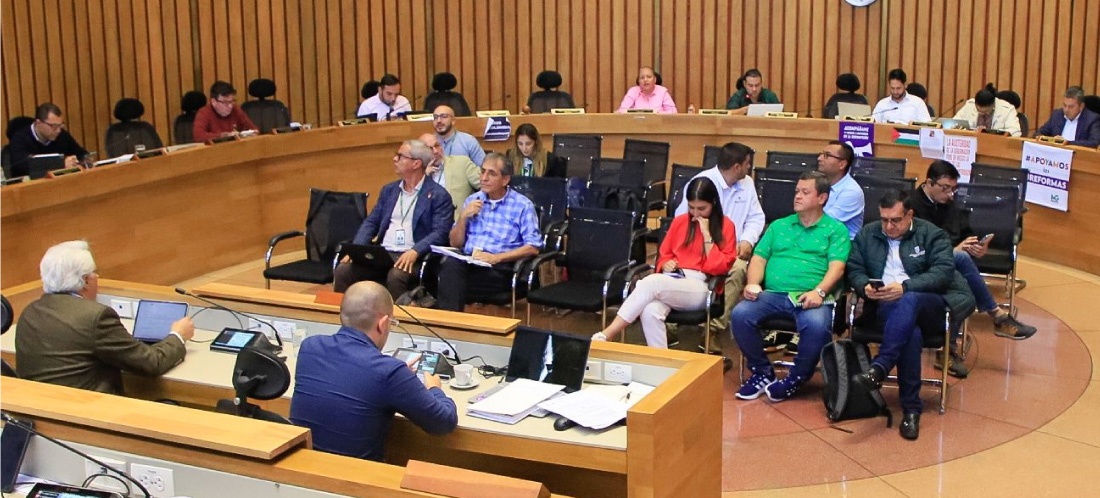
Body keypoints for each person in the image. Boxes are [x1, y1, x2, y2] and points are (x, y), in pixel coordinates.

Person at [849, 190, 975, 440]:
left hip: (930, 304)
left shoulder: (932, 234)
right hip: (885, 305)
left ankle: (881, 366)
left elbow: (942, 273)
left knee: (910, 299)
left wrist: (906, 287)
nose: (889, 226)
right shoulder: (868, 234)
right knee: (911, 335)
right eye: (884, 220)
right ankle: (911, 410)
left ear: (910, 215)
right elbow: (854, 268)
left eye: (895, 220)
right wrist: (864, 286)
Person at [290, 281, 457, 462]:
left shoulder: (309, 347)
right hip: (355, 475)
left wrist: (401, 379)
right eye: (392, 323)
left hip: (304, 467)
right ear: (383, 323)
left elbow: (352, 379)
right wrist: (434, 388)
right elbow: (443, 422)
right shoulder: (389, 372)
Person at [14, 241, 194, 395]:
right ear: (86, 281)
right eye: (94, 272)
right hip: (87, 414)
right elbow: (151, 363)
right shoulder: (96, 316)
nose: (97, 276)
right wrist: (178, 336)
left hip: (38, 414)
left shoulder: (29, 312)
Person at [730, 171, 850, 402]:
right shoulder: (779, 226)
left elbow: (837, 268)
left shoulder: (835, 230)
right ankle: (762, 372)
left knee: (817, 325)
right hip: (773, 294)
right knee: (740, 314)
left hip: (811, 296)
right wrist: (753, 283)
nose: (797, 196)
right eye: (797, 191)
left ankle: (797, 377)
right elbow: (759, 259)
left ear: (822, 198)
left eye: (805, 192)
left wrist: (819, 292)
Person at [912, 160, 1037, 376]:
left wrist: (976, 245)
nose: (950, 194)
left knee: (961, 283)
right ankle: (996, 316)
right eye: (945, 188)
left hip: (949, 262)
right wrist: (954, 250)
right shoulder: (912, 205)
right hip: (921, 262)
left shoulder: (949, 202)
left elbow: (964, 231)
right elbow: (916, 246)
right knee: (960, 261)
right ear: (929, 183)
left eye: (953, 189)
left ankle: (948, 350)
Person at [593, 178, 738, 348]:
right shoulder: (680, 222)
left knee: (651, 283)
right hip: (673, 279)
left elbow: (719, 267)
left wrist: (707, 235)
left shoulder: (726, 226)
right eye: (691, 207)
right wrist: (666, 263)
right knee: (650, 311)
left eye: (701, 208)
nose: (696, 214)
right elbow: (663, 255)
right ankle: (660, 359)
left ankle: (607, 334)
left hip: (703, 286)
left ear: (713, 203)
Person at [333, 139, 453, 297]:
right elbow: (371, 222)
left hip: (413, 257)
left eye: (400, 156)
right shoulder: (389, 190)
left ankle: (396, 313)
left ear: (416, 163)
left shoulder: (438, 195)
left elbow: (440, 232)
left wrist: (416, 251)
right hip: (383, 253)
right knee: (344, 270)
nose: (395, 159)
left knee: (396, 276)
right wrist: (356, 249)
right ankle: (345, 311)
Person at [675, 142, 765, 348]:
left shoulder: (747, 184)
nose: (749, 168)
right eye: (747, 164)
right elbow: (682, 221)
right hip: (698, 250)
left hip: (731, 252)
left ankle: (712, 329)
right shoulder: (701, 183)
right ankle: (671, 326)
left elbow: (756, 217)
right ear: (737, 167)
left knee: (739, 269)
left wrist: (747, 240)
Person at [437, 153, 542, 312]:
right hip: (470, 262)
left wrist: (496, 258)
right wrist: (463, 217)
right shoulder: (473, 200)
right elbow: (455, 243)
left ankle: (445, 321)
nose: (484, 178)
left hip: (500, 268)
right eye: (482, 172)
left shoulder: (522, 205)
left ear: (505, 180)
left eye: (491, 174)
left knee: (450, 281)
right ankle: (448, 319)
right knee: (445, 267)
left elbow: (533, 247)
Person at [7, 103, 89, 177]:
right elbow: (24, 166)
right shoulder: (19, 139)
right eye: (53, 126)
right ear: (38, 123)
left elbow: (80, 154)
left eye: (61, 125)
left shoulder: (61, 134)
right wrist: (60, 164)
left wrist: (84, 160)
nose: (58, 130)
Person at [420, 132, 480, 219]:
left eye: (437, 146)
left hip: (456, 221)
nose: (436, 151)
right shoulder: (418, 173)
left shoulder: (462, 163)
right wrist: (424, 177)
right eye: (430, 149)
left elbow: (487, 184)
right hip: (427, 223)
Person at [818, 140, 865, 239]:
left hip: (843, 244)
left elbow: (825, 224)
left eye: (827, 155)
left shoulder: (852, 191)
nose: (819, 158)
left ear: (842, 164)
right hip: (820, 240)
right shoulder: (820, 184)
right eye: (821, 154)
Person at [192, 80, 258, 142]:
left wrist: (248, 133)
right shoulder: (204, 113)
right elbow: (198, 136)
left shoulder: (235, 109)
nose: (230, 106)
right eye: (225, 102)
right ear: (214, 102)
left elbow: (253, 129)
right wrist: (223, 136)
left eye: (232, 101)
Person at [952, 83, 1023, 136]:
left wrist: (992, 133)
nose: (981, 114)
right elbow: (954, 124)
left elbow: (1015, 132)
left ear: (993, 105)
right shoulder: (970, 105)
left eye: (985, 112)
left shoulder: (1007, 109)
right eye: (978, 111)